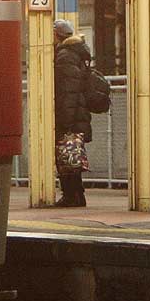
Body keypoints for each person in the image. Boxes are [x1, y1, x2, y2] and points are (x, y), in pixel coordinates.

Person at [52, 18, 92, 208]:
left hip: (71, 115)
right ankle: (76, 195)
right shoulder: (75, 53)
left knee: (66, 156)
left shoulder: (65, 56)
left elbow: (69, 91)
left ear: (55, 35)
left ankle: (71, 196)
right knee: (71, 157)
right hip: (77, 113)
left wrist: (65, 122)